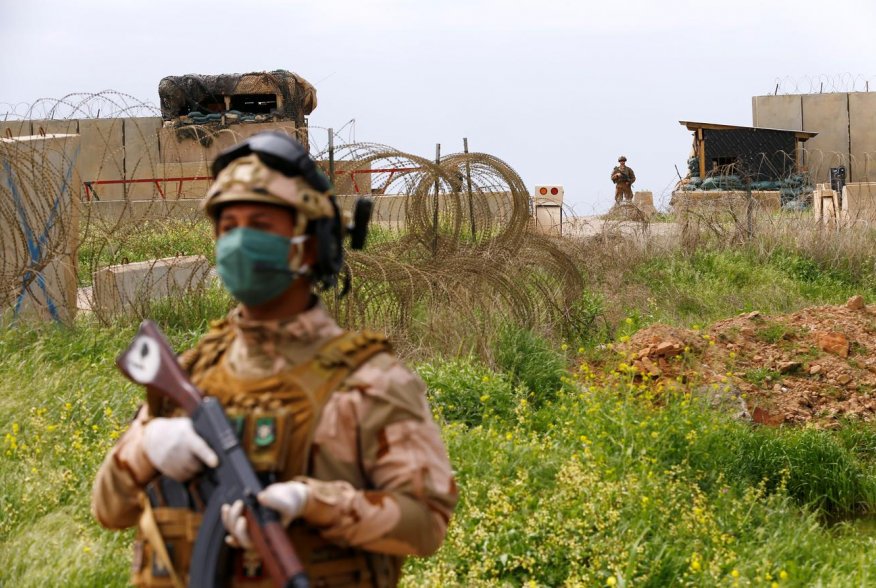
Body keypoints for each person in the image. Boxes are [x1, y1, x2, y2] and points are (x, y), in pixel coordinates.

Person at [91, 132, 458, 587]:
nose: (239, 243)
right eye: (228, 228)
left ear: (310, 241)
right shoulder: (191, 372)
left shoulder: (371, 382)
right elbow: (108, 510)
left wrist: (312, 503)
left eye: (261, 225)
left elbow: (425, 524)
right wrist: (143, 448)